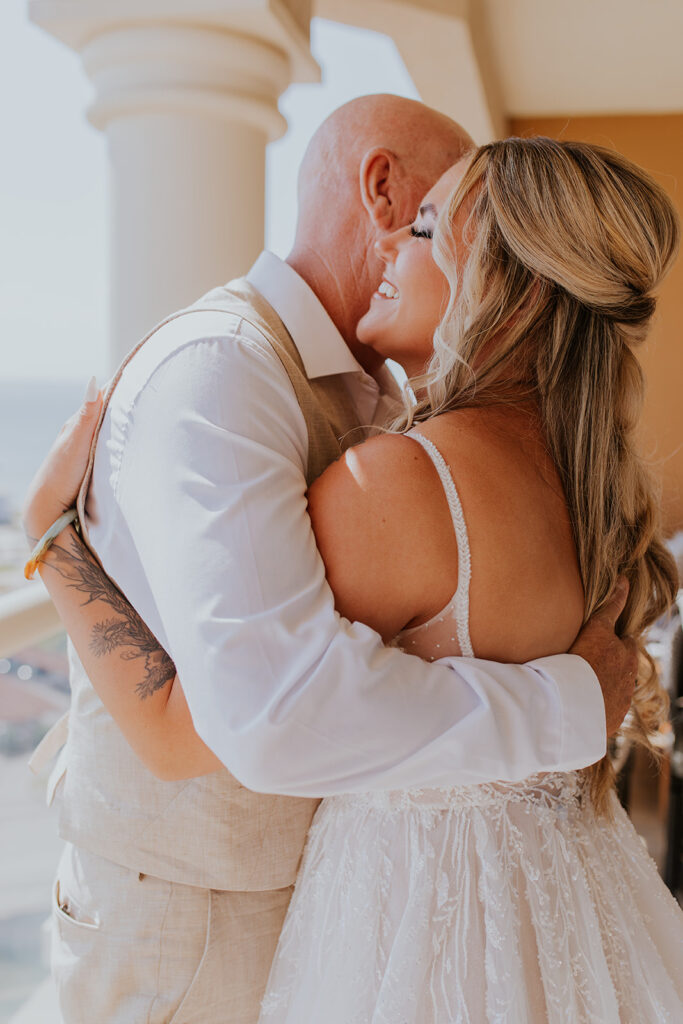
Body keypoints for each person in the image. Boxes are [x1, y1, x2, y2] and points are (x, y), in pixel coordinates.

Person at [24, 118, 639, 1022]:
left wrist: (54, 545)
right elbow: (262, 714)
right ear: (379, 189)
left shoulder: (395, 459)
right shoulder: (226, 369)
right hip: (196, 921)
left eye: (432, 229)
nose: (402, 244)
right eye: (416, 215)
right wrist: (570, 706)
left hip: (388, 928)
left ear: (503, 277)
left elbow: (221, 722)